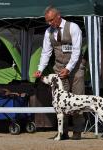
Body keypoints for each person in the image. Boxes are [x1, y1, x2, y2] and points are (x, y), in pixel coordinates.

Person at [34, 6, 85, 140]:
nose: (49, 23)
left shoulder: (73, 27)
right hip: (58, 69)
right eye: (47, 21)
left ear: (58, 16)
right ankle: (62, 132)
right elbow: (46, 52)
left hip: (76, 69)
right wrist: (40, 69)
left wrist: (68, 68)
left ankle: (78, 131)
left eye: (51, 20)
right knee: (60, 102)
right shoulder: (48, 32)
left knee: (77, 99)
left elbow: (76, 50)